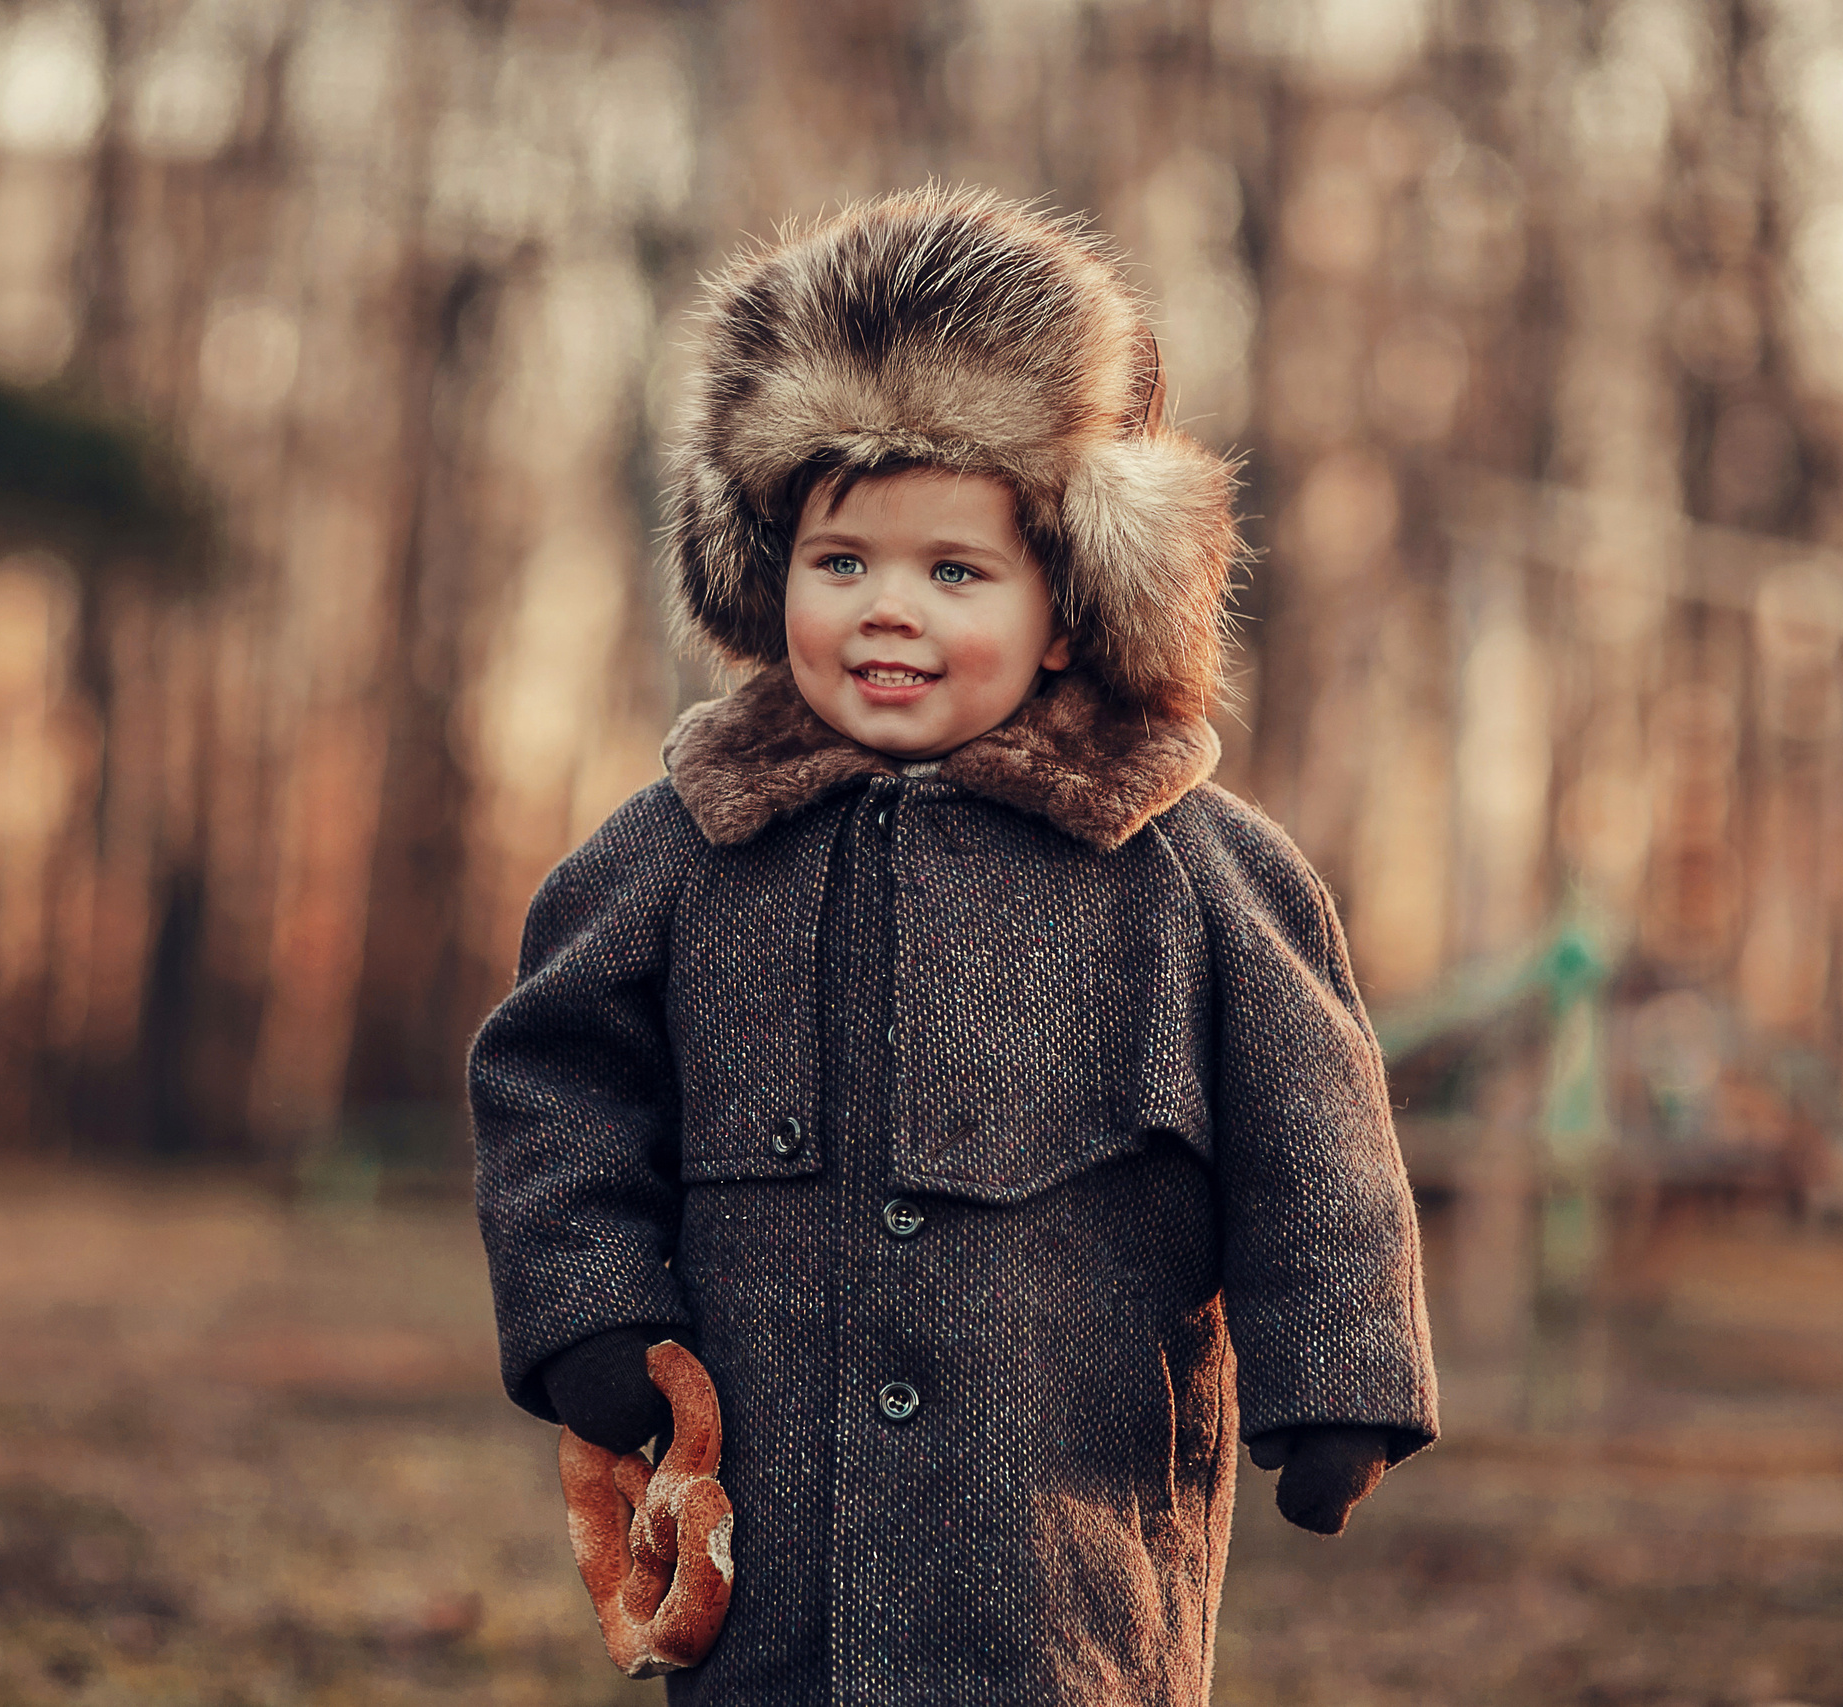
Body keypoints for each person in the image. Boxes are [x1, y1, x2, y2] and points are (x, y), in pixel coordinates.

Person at [471, 186, 1437, 1707]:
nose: (886, 613)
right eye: (840, 562)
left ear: (1067, 613)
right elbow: (552, 1082)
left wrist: (1341, 1379)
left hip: (1062, 1554)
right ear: (767, 568)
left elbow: (1318, 1140)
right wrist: (591, 1306)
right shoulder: (683, 843)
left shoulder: (1185, 864)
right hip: (772, 1546)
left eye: (955, 572)